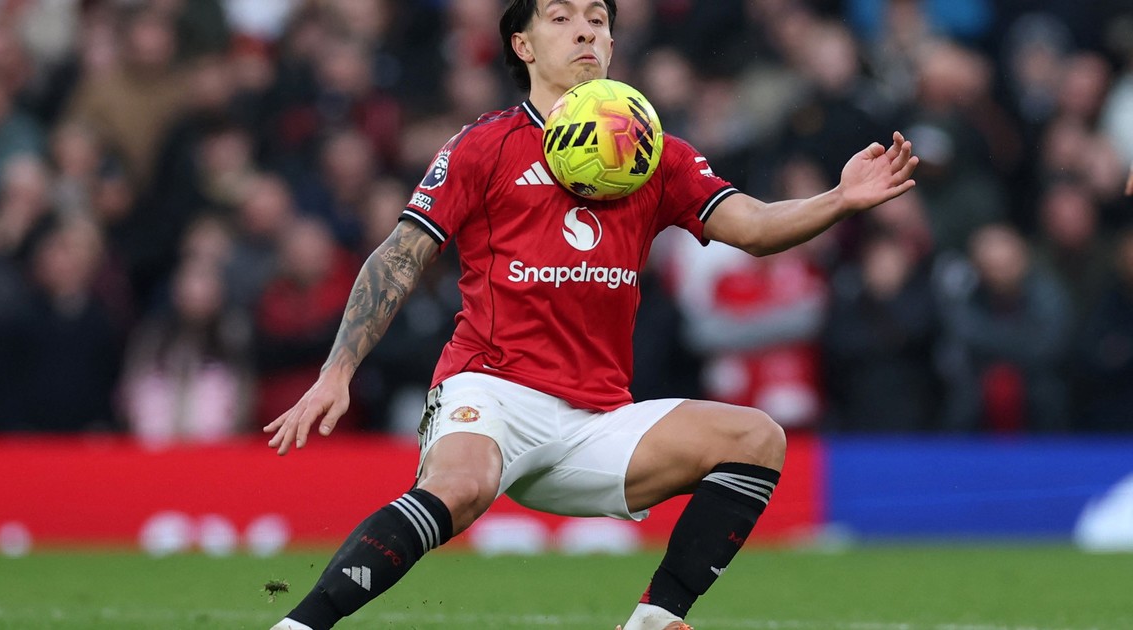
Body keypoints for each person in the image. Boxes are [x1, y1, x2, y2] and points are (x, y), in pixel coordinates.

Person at [265, 2, 918, 629]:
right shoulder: (484, 145)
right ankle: (300, 624)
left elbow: (752, 225)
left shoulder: (655, 152)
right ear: (523, 46)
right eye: (561, 17)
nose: (584, 31)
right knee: (461, 487)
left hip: (595, 418)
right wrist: (337, 370)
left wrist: (838, 199)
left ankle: (656, 619)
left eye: (598, 20)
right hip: (492, 389)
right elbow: (399, 257)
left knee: (757, 439)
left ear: (611, 43)